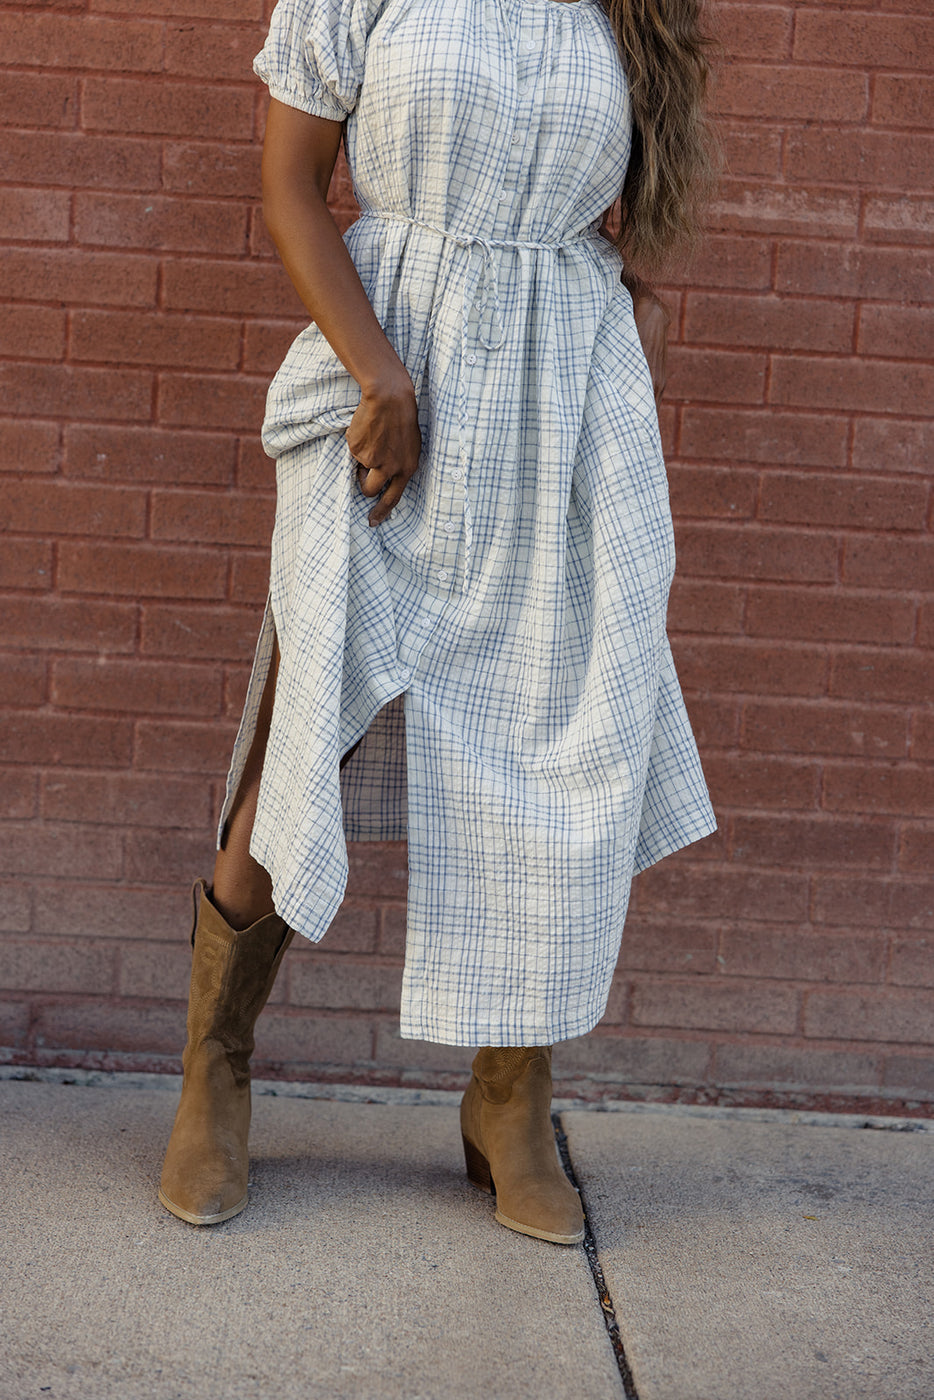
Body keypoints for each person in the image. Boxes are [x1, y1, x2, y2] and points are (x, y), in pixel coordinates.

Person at [158, 0, 718, 1244]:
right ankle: (216, 1069)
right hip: (384, 382)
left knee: (554, 748)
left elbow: (610, 215)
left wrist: (619, 346)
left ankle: (507, 1103)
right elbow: (292, 183)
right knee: (311, 722)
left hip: (561, 403)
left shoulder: (625, 9)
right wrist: (380, 373)